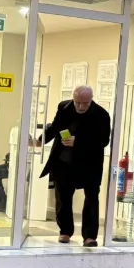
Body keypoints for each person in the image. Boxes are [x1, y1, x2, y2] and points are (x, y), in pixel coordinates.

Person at [39, 86, 111, 246]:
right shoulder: (64, 107)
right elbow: (55, 127)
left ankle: (89, 236)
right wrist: (40, 140)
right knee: (63, 197)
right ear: (73, 98)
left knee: (91, 198)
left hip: (89, 163)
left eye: (85, 103)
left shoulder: (101, 115)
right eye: (77, 102)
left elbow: (103, 140)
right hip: (64, 161)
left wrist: (77, 142)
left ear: (91, 100)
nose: (81, 106)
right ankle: (65, 231)